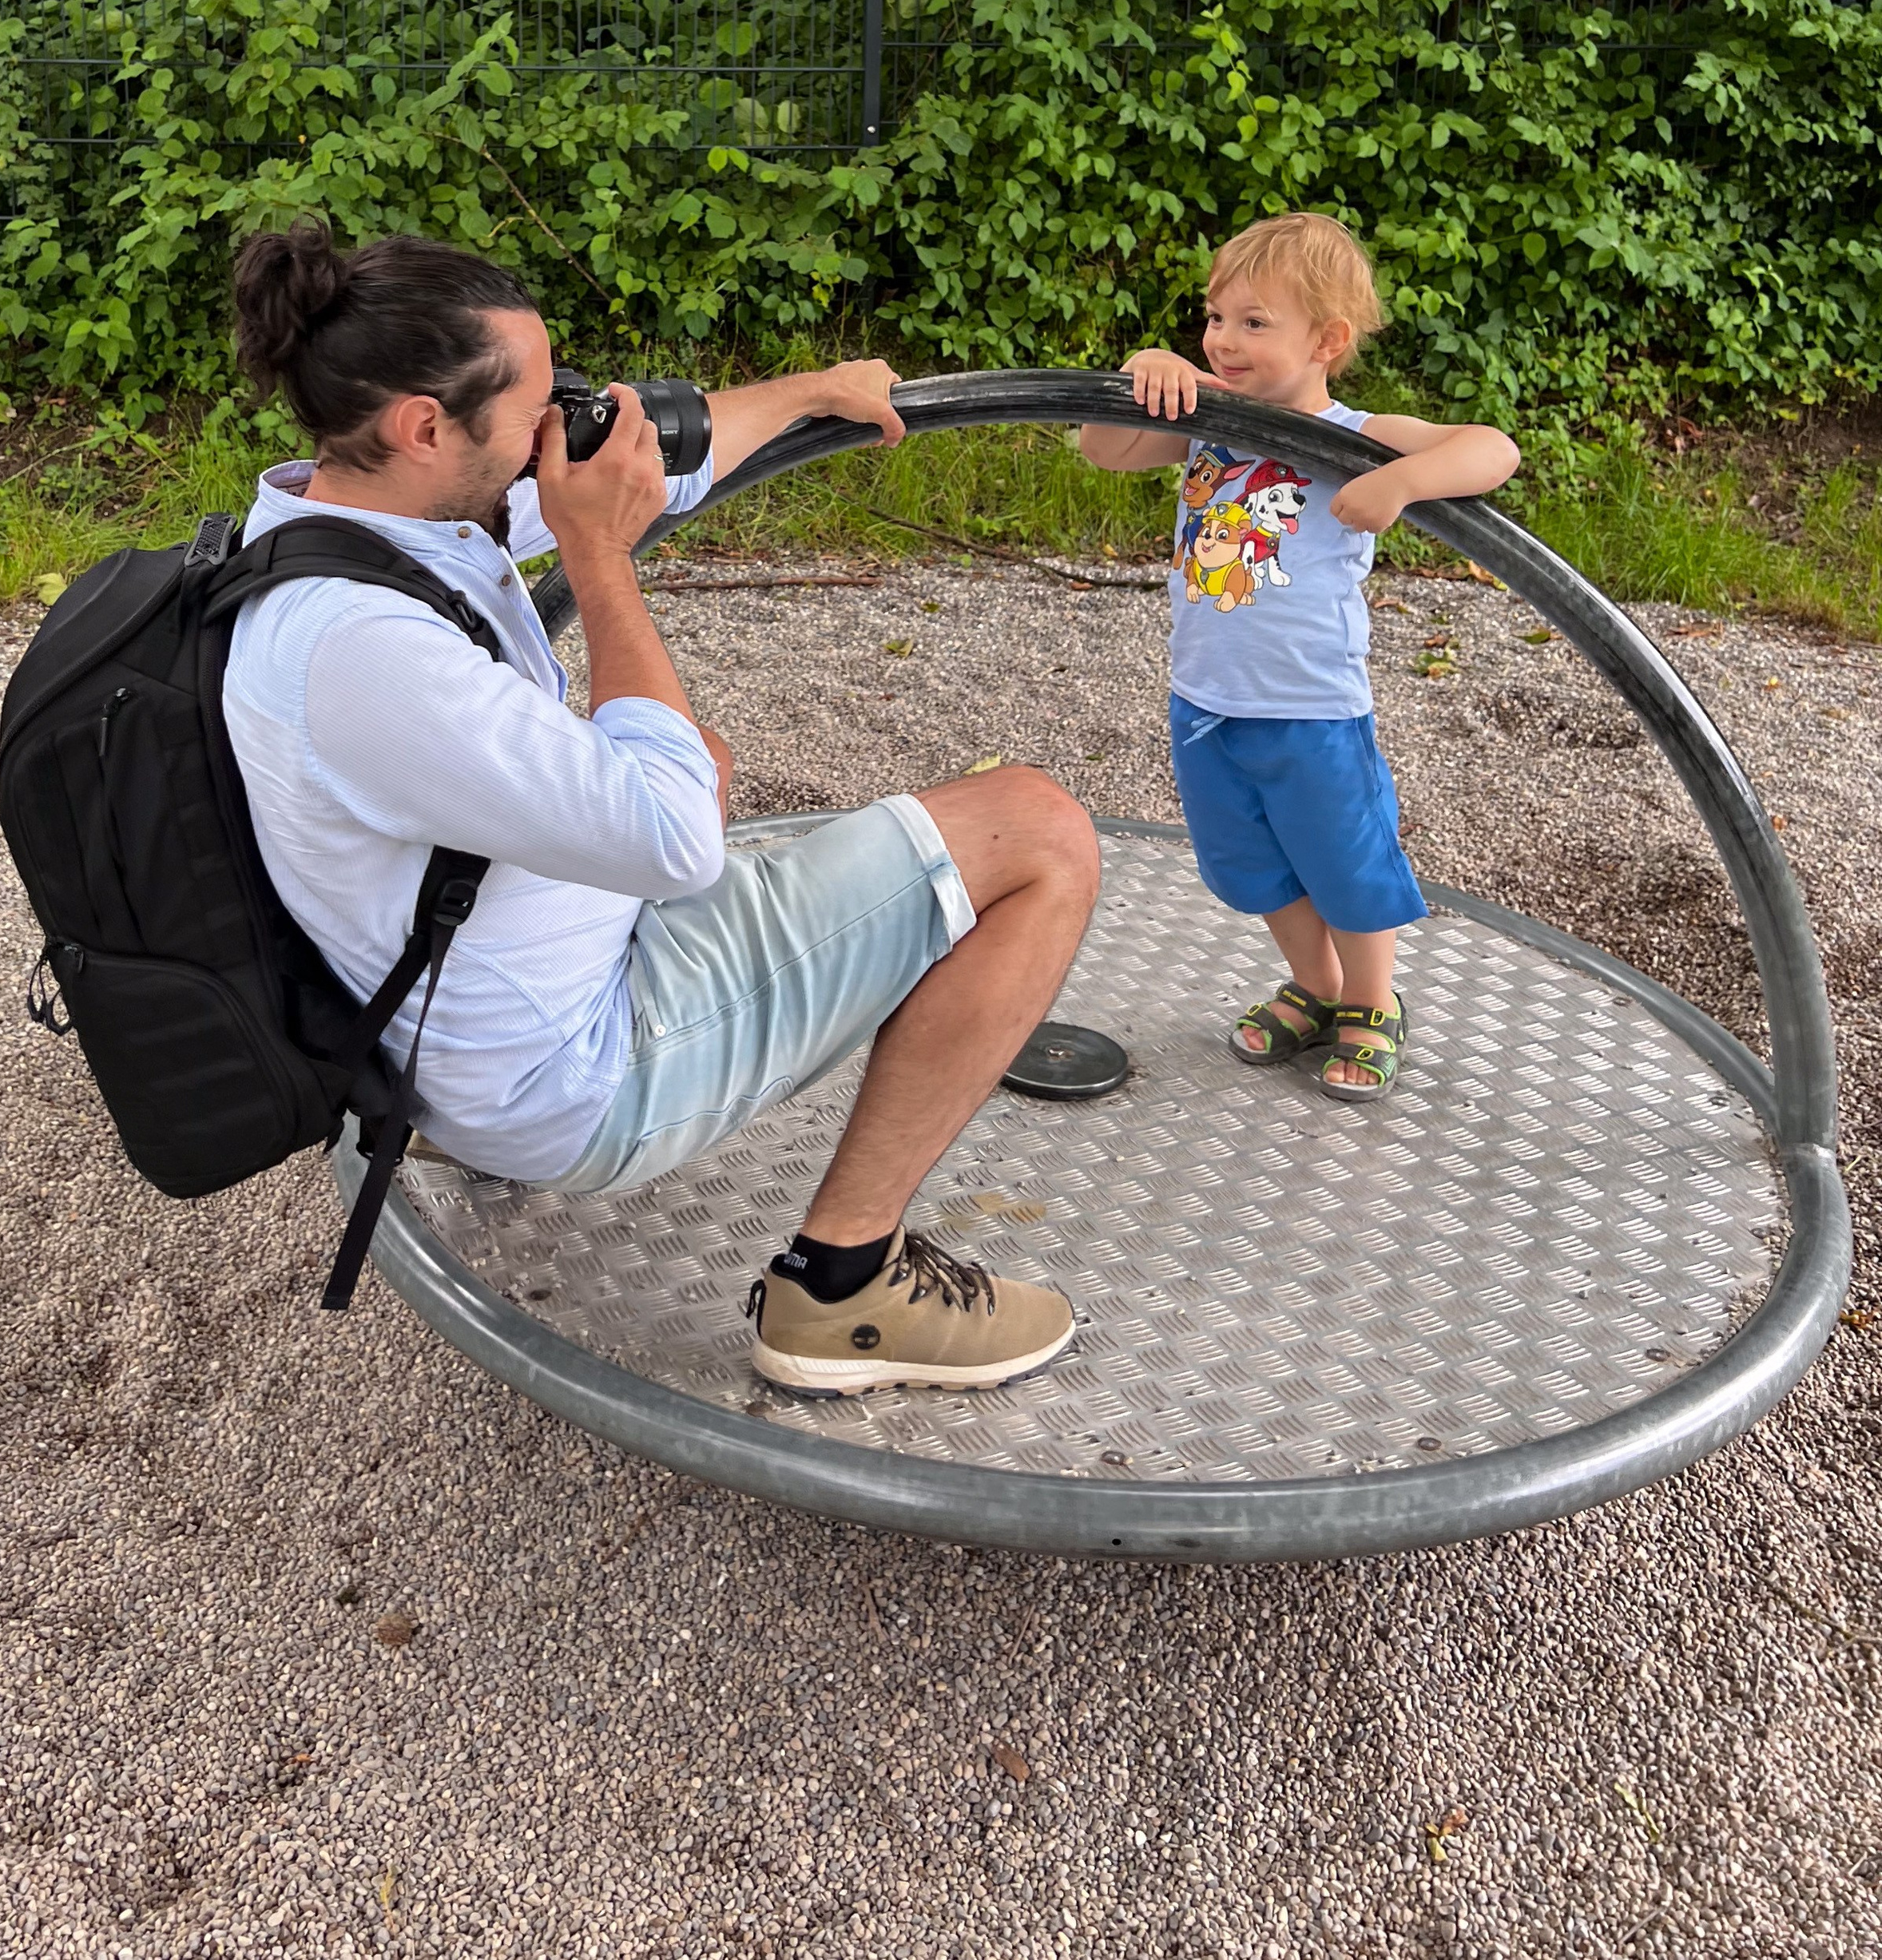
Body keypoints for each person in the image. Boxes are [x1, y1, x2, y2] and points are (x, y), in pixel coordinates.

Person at [224, 220, 1100, 1393]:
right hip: (572, 1079)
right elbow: (677, 842)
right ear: (424, 423)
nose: (560, 428)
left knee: (690, 754)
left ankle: (476, 1118)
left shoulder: (356, 524)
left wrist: (807, 392)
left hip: (436, 1020)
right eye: (538, 405)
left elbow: (655, 467)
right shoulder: (363, 650)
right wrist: (599, 554)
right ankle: (843, 1288)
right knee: (1037, 830)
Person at [1078, 212, 1519, 1102]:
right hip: (1205, 699)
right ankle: (1313, 987)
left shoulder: (1355, 430)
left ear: (1327, 340)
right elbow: (1104, 447)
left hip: (1313, 707)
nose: (1222, 341)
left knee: (1343, 861)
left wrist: (1399, 478)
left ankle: (1370, 997)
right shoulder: (1208, 421)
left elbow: (1491, 451)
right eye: (1212, 318)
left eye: (1252, 322)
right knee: (1245, 863)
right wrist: (1141, 376)